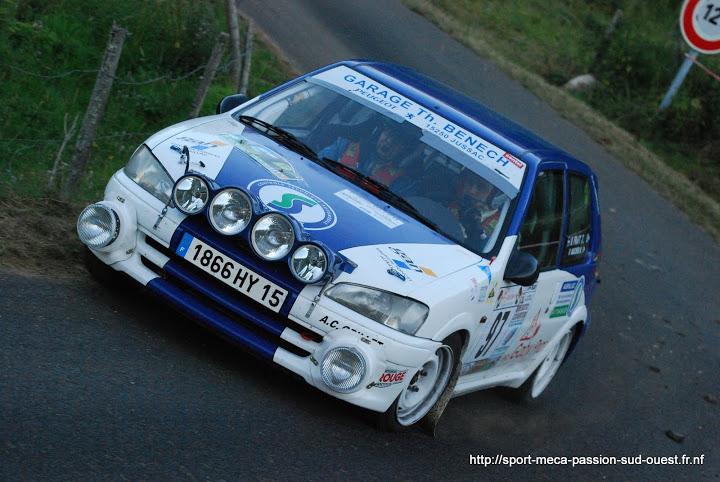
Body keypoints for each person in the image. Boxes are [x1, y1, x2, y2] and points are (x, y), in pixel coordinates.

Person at [318, 120, 417, 186]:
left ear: (403, 147)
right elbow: (315, 165)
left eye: (397, 140)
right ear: (380, 133)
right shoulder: (345, 145)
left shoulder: (400, 179)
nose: (389, 141)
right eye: (388, 134)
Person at [448, 173, 506, 248]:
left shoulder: (504, 227)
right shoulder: (453, 204)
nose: (472, 191)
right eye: (470, 183)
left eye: (480, 187)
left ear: (496, 194)